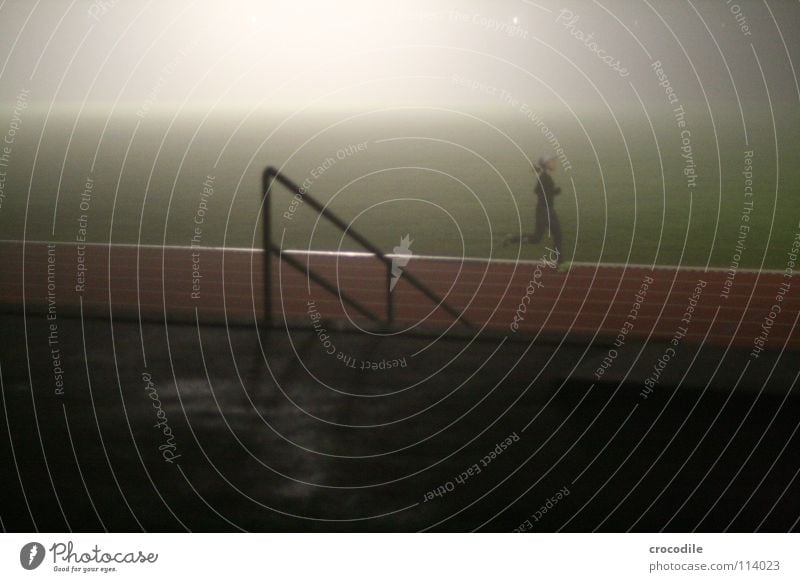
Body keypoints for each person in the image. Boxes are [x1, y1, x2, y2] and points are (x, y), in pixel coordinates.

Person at [503, 155, 563, 262]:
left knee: (539, 238)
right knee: (546, 237)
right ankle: (559, 262)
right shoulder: (544, 178)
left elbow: (539, 190)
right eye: (552, 161)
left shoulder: (545, 177)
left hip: (547, 210)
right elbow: (539, 191)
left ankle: (511, 239)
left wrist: (553, 192)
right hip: (545, 211)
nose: (554, 163)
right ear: (547, 164)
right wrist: (554, 192)